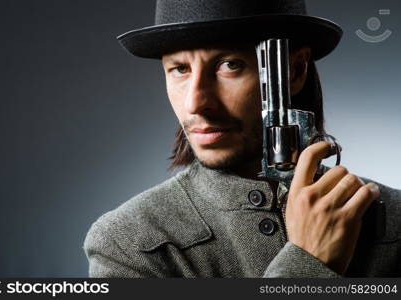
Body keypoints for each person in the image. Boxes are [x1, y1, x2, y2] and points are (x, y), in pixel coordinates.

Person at [84, 0, 401, 277]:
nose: (195, 102)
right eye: (179, 69)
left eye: (228, 65)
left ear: (295, 70)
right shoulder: (127, 243)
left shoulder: (395, 220)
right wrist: (308, 264)